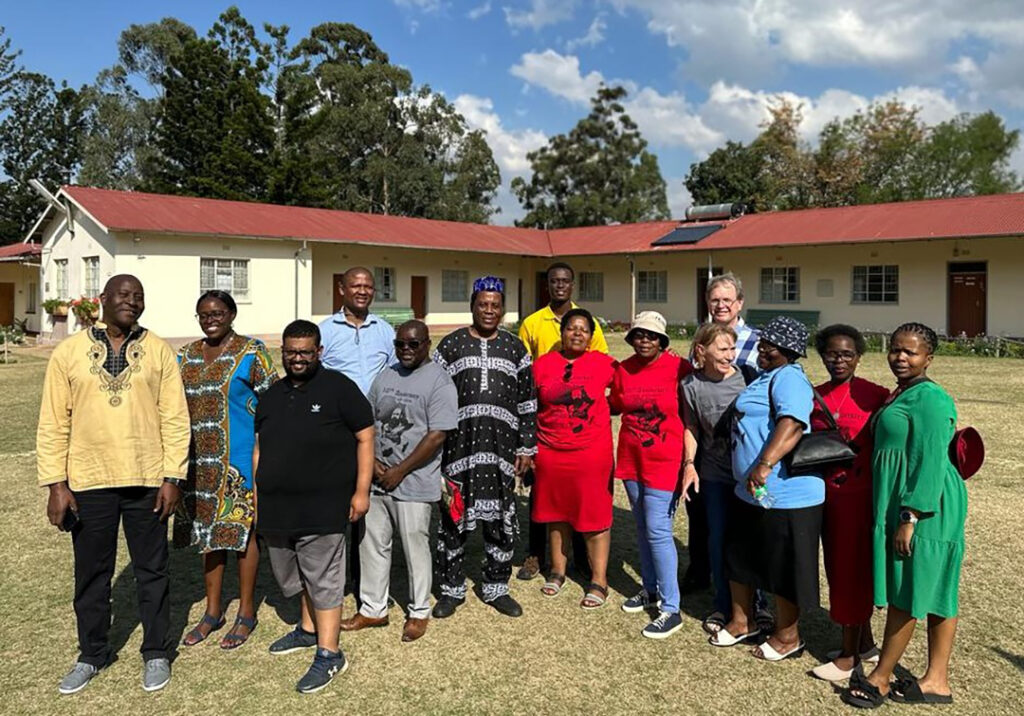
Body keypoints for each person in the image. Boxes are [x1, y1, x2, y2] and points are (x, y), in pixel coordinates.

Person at [37, 274, 190, 694]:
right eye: (123, 295)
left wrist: (173, 476)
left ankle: (156, 651)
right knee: (92, 574)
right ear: (102, 299)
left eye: (139, 296)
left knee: (152, 571)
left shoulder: (158, 350)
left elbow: (175, 417)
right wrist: (56, 484)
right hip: (89, 481)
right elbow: (54, 420)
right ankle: (92, 653)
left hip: (146, 479)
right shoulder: (69, 352)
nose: (132, 301)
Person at [843, 323, 966, 708]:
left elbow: (929, 461)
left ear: (929, 358)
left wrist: (910, 516)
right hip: (909, 502)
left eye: (910, 352)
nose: (900, 357)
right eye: (895, 349)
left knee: (911, 589)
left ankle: (880, 677)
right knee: (934, 590)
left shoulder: (931, 399)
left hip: (926, 508)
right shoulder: (905, 393)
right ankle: (936, 681)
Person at [255, 320, 374, 694]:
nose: (298, 359)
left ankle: (329, 653)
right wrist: (258, 499)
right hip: (276, 508)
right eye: (291, 352)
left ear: (319, 352)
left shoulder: (340, 389)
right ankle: (307, 630)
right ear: (283, 352)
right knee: (292, 576)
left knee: (323, 578)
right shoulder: (273, 394)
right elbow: (260, 449)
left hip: (324, 506)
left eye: (306, 352)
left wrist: (361, 491)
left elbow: (366, 437)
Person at [712, 316, 822, 663]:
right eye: (763, 343)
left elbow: (792, 423)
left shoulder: (790, 378)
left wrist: (764, 464)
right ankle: (741, 621)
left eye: (771, 345)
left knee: (782, 566)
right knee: (741, 557)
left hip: (785, 493)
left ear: (788, 350)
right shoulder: (766, 376)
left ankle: (788, 636)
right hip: (751, 493)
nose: (763, 349)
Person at [341, 320, 458, 643]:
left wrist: (400, 470)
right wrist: (373, 464)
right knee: (372, 544)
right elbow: (368, 418)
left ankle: (419, 611)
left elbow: (437, 435)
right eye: (400, 344)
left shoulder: (439, 382)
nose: (406, 350)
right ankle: (373, 608)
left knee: (415, 547)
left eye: (413, 344)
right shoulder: (387, 374)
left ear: (427, 344)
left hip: (414, 482)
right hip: (377, 476)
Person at [175, 290, 278, 650]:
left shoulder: (252, 353)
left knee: (242, 533)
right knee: (208, 536)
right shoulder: (185, 356)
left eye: (218, 312)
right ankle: (212, 611)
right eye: (203, 314)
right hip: (199, 463)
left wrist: (267, 455)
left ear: (232, 314)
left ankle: (246, 612)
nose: (211, 319)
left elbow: (274, 403)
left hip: (241, 460)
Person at [432, 276, 536, 619]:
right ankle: (451, 589)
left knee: (500, 519)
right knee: (454, 518)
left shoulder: (516, 348)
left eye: (495, 305)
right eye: (482, 304)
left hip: (502, 450)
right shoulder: (450, 345)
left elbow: (527, 401)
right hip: (458, 448)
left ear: (502, 309)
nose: (488, 311)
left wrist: (526, 447)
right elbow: (432, 395)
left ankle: (496, 586)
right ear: (472, 306)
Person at [517, 261, 607, 581]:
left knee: (579, 497)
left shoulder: (587, 321)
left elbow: (601, 367)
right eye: (554, 281)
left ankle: (580, 558)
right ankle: (534, 554)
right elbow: (524, 372)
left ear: (572, 285)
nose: (559, 286)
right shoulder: (531, 323)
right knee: (541, 495)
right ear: (547, 285)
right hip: (546, 421)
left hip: (578, 427)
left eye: (565, 281)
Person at [808, 325, 889, 682]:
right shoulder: (814, 394)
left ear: (859, 356)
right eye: (831, 353)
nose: (838, 360)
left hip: (860, 499)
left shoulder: (877, 395)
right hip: (826, 496)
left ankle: (848, 656)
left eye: (846, 354)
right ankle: (866, 641)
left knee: (849, 573)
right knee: (838, 569)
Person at [611, 311, 692, 638]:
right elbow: (615, 405)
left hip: (666, 460)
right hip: (632, 458)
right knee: (642, 527)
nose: (645, 340)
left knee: (658, 529)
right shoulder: (623, 369)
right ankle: (650, 588)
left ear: (662, 341)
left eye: (652, 336)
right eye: (640, 335)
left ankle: (671, 608)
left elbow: (693, 409)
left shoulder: (678, 368)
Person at [318, 267, 396, 604]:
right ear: (342, 289)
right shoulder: (324, 331)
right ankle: (336, 576)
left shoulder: (385, 331)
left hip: (378, 432)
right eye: (356, 286)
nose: (362, 291)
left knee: (372, 505)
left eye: (368, 286)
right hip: (337, 432)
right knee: (340, 504)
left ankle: (366, 576)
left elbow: (396, 374)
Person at [530, 308, 616, 609]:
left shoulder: (605, 364)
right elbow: (530, 406)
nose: (577, 333)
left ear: (591, 337)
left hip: (591, 452)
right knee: (556, 514)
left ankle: (599, 579)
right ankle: (557, 570)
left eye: (584, 329)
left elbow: (623, 393)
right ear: (561, 332)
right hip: (550, 452)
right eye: (571, 328)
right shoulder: (541, 366)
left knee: (595, 516)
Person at [683, 272, 759, 594]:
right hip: (708, 445)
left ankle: (746, 590)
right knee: (701, 514)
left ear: (739, 303)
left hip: (745, 447)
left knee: (742, 523)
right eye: (715, 299)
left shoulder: (755, 341)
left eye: (727, 300)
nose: (721, 305)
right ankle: (702, 571)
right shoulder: (701, 337)